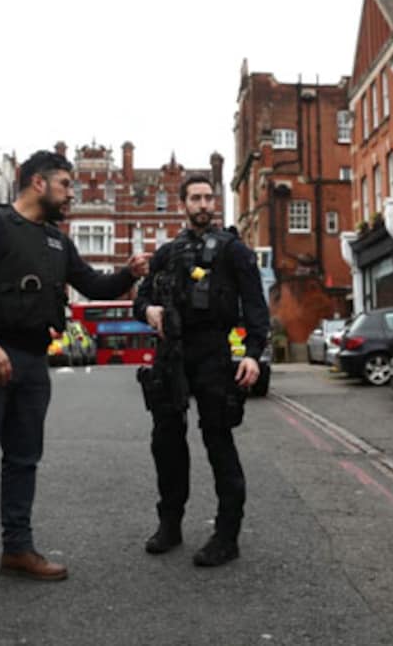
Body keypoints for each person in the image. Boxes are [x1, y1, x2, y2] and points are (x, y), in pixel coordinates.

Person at [0, 150, 149, 602]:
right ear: (38, 183)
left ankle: (17, 549)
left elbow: (93, 286)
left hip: (32, 360)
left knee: (23, 459)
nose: (71, 194)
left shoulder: (56, 241)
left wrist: (127, 273)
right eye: (66, 184)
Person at [133, 174, 270, 567]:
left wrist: (252, 354)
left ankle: (227, 535)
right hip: (170, 353)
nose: (204, 204)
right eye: (195, 198)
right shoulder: (166, 253)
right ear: (183, 205)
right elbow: (140, 299)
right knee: (166, 442)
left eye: (209, 197)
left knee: (218, 440)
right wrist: (149, 309)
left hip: (212, 351)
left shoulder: (234, 251)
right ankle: (169, 524)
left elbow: (255, 307)